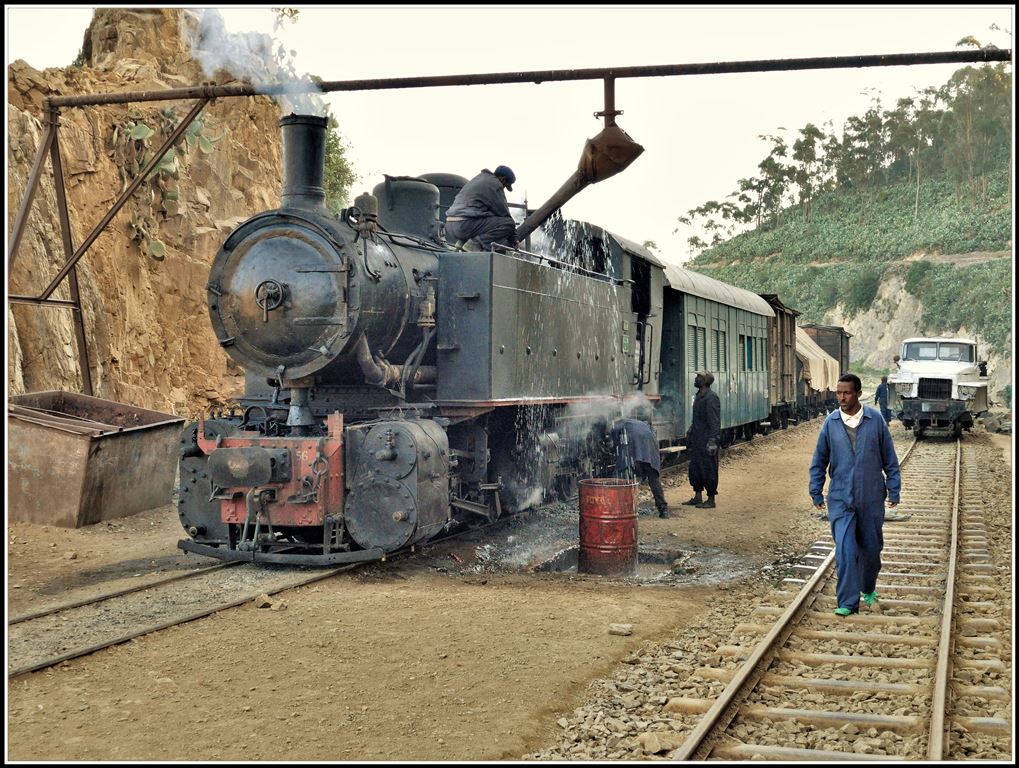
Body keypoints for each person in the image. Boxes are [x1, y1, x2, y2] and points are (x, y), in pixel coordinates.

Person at [809, 373, 901, 616]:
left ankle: (868, 588)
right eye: (838, 393)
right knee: (845, 550)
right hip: (840, 498)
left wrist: (894, 488)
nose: (841, 397)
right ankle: (848, 602)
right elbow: (819, 460)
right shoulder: (831, 422)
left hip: (871, 497)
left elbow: (890, 459)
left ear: (858, 393)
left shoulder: (875, 420)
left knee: (871, 552)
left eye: (846, 392)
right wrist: (816, 490)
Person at [444, 166, 518, 250]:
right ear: (503, 179)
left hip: (450, 225)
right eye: (505, 186)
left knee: (482, 214)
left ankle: (462, 243)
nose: (503, 188)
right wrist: (514, 238)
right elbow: (503, 213)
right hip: (464, 225)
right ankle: (474, 244)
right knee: (509, 223)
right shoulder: (494, 184)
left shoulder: (478, 179)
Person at [612, 417, 669, 518]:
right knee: (653, 478)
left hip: (633, 444)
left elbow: (616, 445)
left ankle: (617, 508)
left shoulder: (617, 425)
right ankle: (663, 510)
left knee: (619, 475)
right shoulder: (640, 423)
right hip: (650, 445)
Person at [682, 370, 721, 509]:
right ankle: (698, 496)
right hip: (697, 439)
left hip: (706, 440)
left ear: (705, 381)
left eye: (699, 376)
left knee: (709, 469)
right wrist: (691, 431)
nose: (696, 378)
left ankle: (711, 499)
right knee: (695, 468)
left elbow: (714, 422)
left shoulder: (711, 398)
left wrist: (713, 441)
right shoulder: (699, 396)